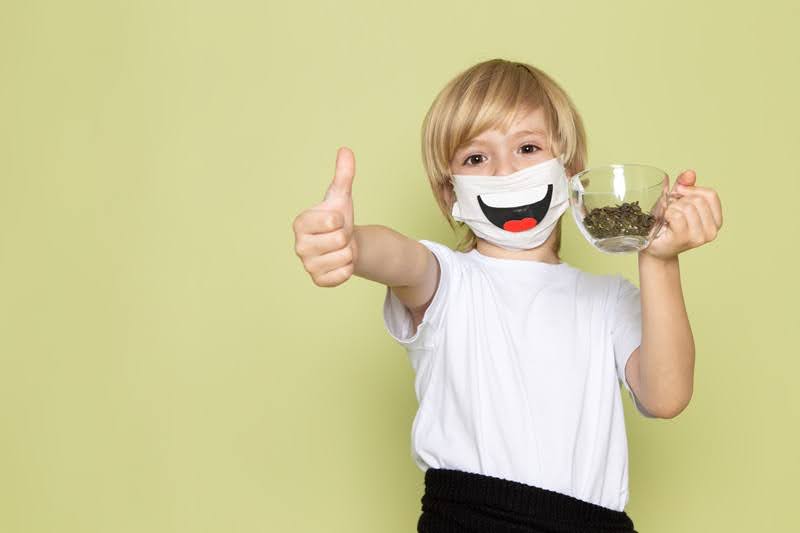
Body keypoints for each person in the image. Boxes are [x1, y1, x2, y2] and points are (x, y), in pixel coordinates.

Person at [292, 58, 723, 533]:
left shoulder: (608, 301)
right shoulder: (449, 282)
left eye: (528, 147)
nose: (504, 173)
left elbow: (666, 395)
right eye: (476, 158)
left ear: (571, 173)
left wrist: (658, 259)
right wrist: (351, 244)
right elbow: (401, 259)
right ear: (449, 190)